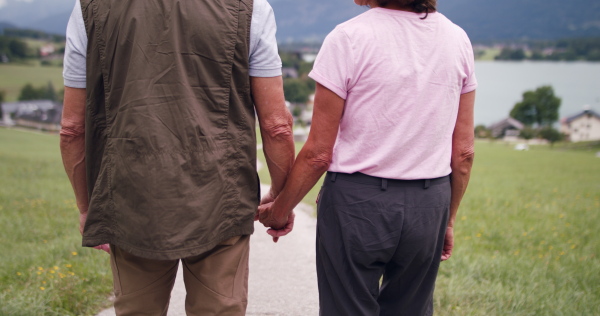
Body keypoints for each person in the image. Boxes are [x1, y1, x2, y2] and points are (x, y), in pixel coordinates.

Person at [60, 0, 295, 314]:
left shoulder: (89, 7)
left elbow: (72, 128)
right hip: (220, 197)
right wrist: (280, 200)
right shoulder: (250, 8)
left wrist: (87, 206)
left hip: (131, 196)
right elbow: (276, 125)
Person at [258, 0, 477, 314]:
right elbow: (464, 153)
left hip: (356, 205)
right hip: (429, 206)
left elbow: (319, 153)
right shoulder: (458, 40)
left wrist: (280, 210)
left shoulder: (348, 37)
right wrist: (448, 220)